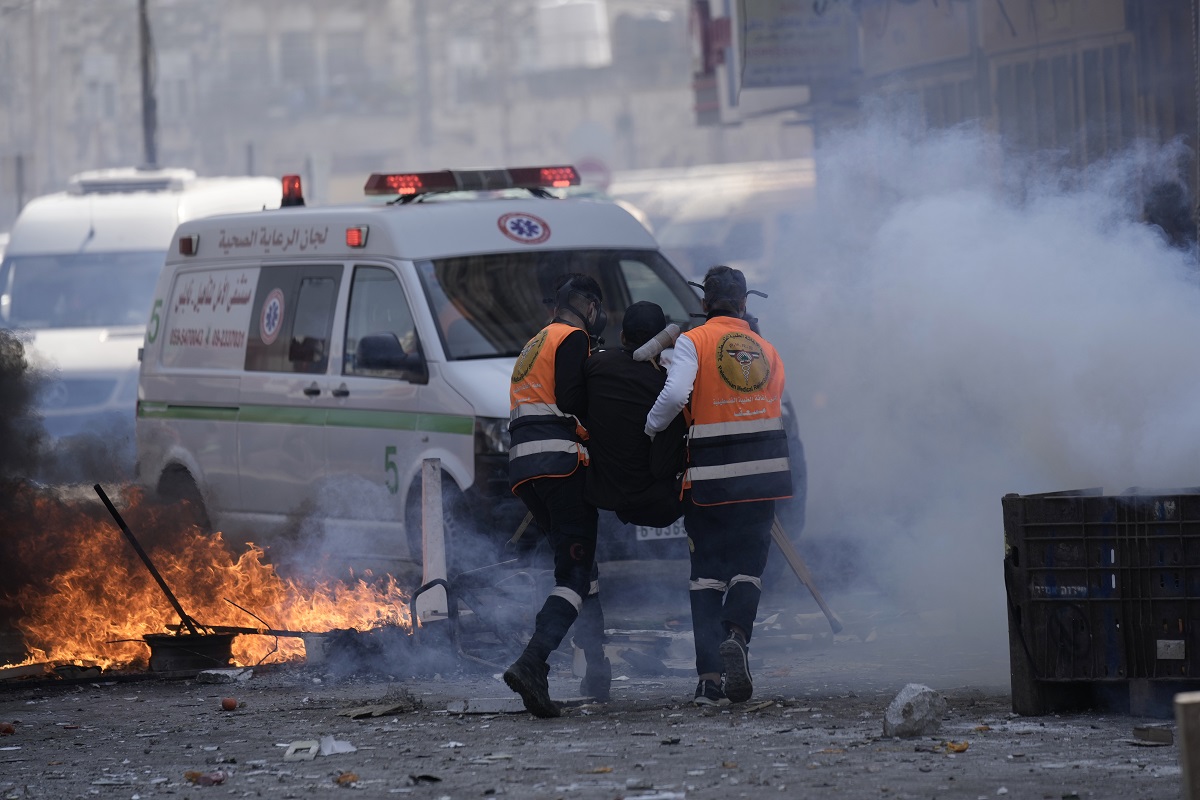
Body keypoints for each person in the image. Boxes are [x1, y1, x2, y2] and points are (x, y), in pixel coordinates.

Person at [644, 265, 792, 707]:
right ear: (745, 304)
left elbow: (673, 397)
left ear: (704, 304)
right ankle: (737, 637)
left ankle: (709, 681)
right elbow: (775, 403)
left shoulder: (694, 340)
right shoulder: (767, 348)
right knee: (748, 569)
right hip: (763, 476)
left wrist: (651, 428)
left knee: (706, 577)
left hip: (709, 480)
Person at [503, 273, 610, 718]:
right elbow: (572, 400)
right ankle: (533, 661)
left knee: (583, 567)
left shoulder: (536, 342)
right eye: (597, 308)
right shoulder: (573, 340)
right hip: (561, 463)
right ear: (588, 306)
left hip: (527, 468)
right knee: (573, 576)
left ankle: (597, 669)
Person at [583, 300, 687, 528]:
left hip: (602, 495)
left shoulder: (595, 367)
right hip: (656, 501)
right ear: (664, 343)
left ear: (622, 337)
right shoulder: (665, 386)